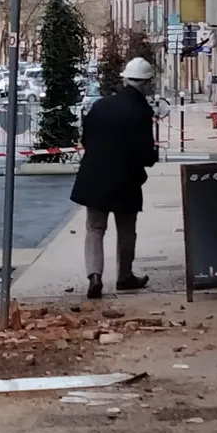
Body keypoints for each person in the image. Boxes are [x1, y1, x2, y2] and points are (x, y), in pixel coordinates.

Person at [70, 57, 160, 300]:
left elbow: (86, 139)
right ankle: (124, 276)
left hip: (95, 177)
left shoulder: (101, 106)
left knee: (95, 228)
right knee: (126, 229)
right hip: (126, 180)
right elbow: (145, 154)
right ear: (147, 83)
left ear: (125, 79)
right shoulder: (141, 111)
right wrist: (153, 156)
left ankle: (94, 276)